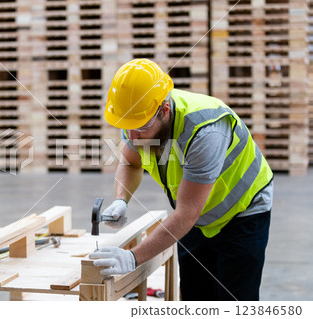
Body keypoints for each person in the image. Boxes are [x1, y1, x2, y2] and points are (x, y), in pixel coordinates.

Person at [89, 59, 273, 301]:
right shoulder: (138, 117)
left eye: (140, 127)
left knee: (234, 299)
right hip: (196, 216)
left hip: (242, 211)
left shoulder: (205, 131)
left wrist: (133, 257)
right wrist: (121, 199)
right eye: (126, 126)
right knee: (195, 296)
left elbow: (186, 214)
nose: (131, 136)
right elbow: (130, 162)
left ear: (164, 110)